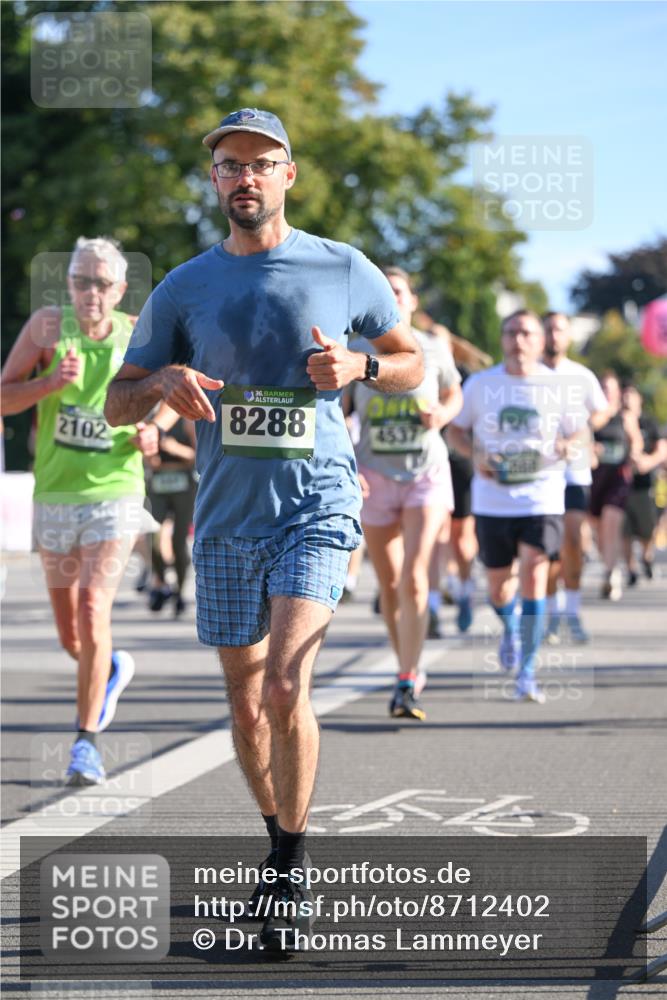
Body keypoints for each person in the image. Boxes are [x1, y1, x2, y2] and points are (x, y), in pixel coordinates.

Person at [103, 108, 423, 950]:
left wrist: (361, 365)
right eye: (229, 165)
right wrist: (161, 381)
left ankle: (289, 867)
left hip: (316, 505)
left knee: (284, 687)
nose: (244, 177)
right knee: (246, 706)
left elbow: (412, 362)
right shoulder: (183, 287)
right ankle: (276, 838)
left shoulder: (342, 266)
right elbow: (115, 402)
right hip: (225, 519)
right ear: (215, 181)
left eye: (260, 162)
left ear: (288, 174)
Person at [0, 237, 159, 785]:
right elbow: (3, 396)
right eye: (81, 281)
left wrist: (152, 431)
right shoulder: (47, 327)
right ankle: (110, 666)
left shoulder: (138, 334)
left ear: (120, 289)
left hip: (116, 490)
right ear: (69, 284)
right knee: (72, 636)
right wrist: (50, 384)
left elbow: (164, 395)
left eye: (102, 283)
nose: (91, 292)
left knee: (94, 610)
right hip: (56, 496)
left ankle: (85, 743)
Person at [448, 310, 587, 703]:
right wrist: (477, 454)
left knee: (533, 575)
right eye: (511, 332)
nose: (518, 340)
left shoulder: (558, 386)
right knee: (498, 588)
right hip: (493, 501)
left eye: (526, 333)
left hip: (542, 497)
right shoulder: (481, 384)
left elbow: (581, 430)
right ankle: (510, 628)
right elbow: (455, 430)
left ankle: (527, 672)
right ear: (502, 339)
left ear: (540, 341)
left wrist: (569, 445)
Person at [344, 267, 462, 720]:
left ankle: (408, 678)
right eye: (383, 291)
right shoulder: (358, 349)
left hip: (425, 474)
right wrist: (348, 461)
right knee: (389, 584)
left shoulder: (433, 347)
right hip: (375, 475)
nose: (391, 297)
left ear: (412, 300)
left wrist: (442, 416)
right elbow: (340, 413)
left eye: (398, 291)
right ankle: (404, 665)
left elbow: (454, 394)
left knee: (414, 576)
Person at [541, 312, 609, 644]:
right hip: (539, 474)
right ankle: (552, 615)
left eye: (559, 329)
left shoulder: (581, 375)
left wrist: (583, 429)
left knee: (571, 542)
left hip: (574, 471)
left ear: (568, 336)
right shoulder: (529, 374)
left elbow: (602, 409)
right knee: (547, 548)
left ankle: (572, 612)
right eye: (549, 329)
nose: (554, 335)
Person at [590, 372, 643, 601]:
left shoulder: (625, 416)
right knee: (599, 532)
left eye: (610, 388)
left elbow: (636, 441)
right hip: (595, 477)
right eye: (603, 388)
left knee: (612, 522)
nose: (607, 392)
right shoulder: (592, 415)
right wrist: (592, 449)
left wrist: (635, 453)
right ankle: (610, 565)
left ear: (618, 392)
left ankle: (610, 574)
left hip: (618, 477)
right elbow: (581, 438)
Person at [145, 411, 197, 616]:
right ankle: (162, 581)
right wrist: (150, 456)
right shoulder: (152, 418)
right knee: (153, 540)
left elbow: (198, 455)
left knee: (178, 541)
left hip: (183, 484)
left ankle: (180, 592)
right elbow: (144, 453)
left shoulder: (187, 419)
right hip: (158, 483)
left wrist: (175, 448)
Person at [621, 385, 667, 584]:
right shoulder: (616, 421)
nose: (627, 400)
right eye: (624, 396)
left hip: (644, 485)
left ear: (639, 399)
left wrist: (648, 462)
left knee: (647, 528)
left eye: (631, 396)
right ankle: (630, 568)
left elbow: (661, 450)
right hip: (620, 485)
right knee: (624, 530)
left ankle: (647, 557)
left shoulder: (649, 422)